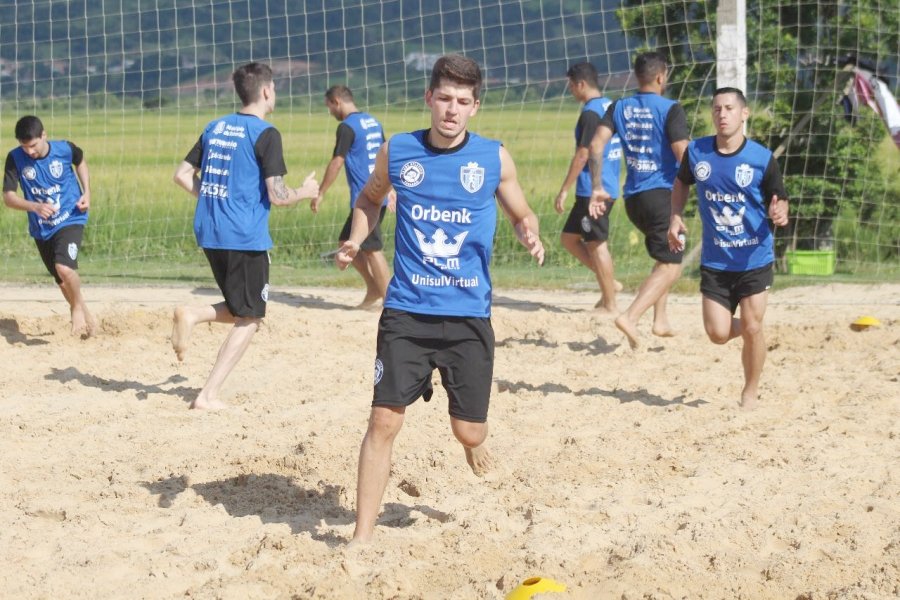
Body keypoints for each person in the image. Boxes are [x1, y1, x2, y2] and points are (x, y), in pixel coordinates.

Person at [335, 54, 545, 544]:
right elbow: (369, 198)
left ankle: (472, 441)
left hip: (468, 316)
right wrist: (355, 236)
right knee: (383, 420)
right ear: (429, 99)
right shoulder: (399, 150)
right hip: (406, 311)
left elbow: (521, 213)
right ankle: (362, 538)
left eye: (463, 102)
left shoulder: (494, 157)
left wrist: (529, 233)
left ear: (476, 106)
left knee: (469, 431)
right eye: (445, 99)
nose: (452, 109)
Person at [171, 62, 319, 410]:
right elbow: (278, 196)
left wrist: (214, 198)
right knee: (251, 317)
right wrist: (307, 190)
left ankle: (193, 315)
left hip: (210, 230)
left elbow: (181, 175)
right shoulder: (266, 133)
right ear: (267, 91)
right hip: (243, 235)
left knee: (243, 306)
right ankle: (207, 394)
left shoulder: (215, 126)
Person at [668, 87, 789, 409]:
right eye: (717, 109)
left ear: (744, 114)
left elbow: (780, 199)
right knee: (718, 334)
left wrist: (781, 212)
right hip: (717, 262)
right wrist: (675, 216)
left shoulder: (761, 159)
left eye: (730, 109)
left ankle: (750, 391)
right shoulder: (697, 153)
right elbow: (681, 182)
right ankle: (753, 332)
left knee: (751, 325)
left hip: (754, 257)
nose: (722, 114)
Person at [588, 50, 690, 349]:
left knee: (665, 254)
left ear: (638, 76)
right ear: (662, 76)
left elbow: (596, 145)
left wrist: (596, 185)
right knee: (672, 264)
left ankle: (661, 320)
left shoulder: (619, 106)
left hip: (633, 197)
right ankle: (630, 317)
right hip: (661, 195)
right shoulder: (671, 109)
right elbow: (683, 155)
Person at [3, 115, 95, 338]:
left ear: (44, 136)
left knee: (65, 268)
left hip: (70, 216)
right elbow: (8, 197)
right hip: (42, 227)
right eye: (24, 147)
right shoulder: (15, 159)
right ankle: (89, 322)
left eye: (33, 146)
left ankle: (75, 309)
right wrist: (34, 207)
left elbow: (80, 160)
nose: (29, 152)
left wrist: (87, 192)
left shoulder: (64, 149)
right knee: (62, 282)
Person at [311, 85, 394, 309]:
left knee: (372, 249)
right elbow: (386, 154)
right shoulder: (373, 122)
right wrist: (392, 189)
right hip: (380, 191)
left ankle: (390, 302)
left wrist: (320, 193)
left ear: (336, 101)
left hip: (367, 200)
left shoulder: (346, 127)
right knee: (345, 242)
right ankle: (374, 288)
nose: (330, 112)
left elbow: (337, 162)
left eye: (329, 107)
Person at [554, 62, 623, 312]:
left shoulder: (591, 113)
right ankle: (609, 284)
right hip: (608, 184)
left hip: (593, 190)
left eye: (571, 85)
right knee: (569, 238)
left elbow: (584, 154)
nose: (571, 90)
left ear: (581, 84)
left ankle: (610, 303)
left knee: (595, 242)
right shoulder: (610, 106)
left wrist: (564, 188)